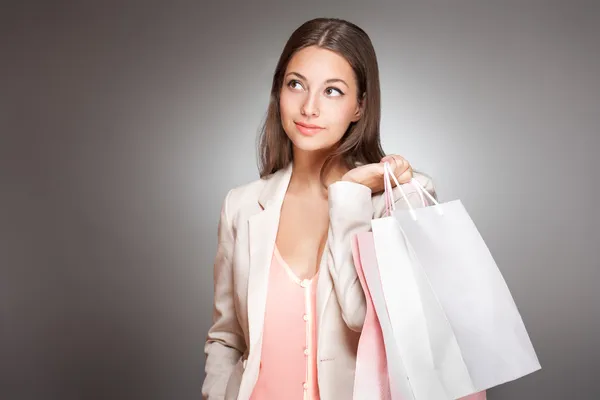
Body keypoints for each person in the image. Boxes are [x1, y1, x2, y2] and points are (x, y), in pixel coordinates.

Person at [201, 17, 437, 400]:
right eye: (296, 84)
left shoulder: (400, 200)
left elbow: (363, 318)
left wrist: (351, 194)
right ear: (278, 90)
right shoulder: (241, 206)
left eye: (332, 91)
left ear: (359, 106)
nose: (309, 107)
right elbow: (226, 338)